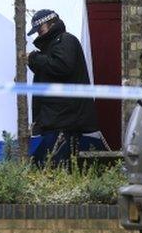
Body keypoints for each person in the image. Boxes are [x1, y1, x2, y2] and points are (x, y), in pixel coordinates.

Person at [27, 9, 102, 167]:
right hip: (57, 119)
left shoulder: (65, 40)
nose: (38, 34)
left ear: (51, 23)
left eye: (40, 29)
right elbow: (52, 73)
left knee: (54, 165)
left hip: (63, 120)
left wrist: (35, 58)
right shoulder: (55, 44)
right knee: (51, 164)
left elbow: (61, 67)